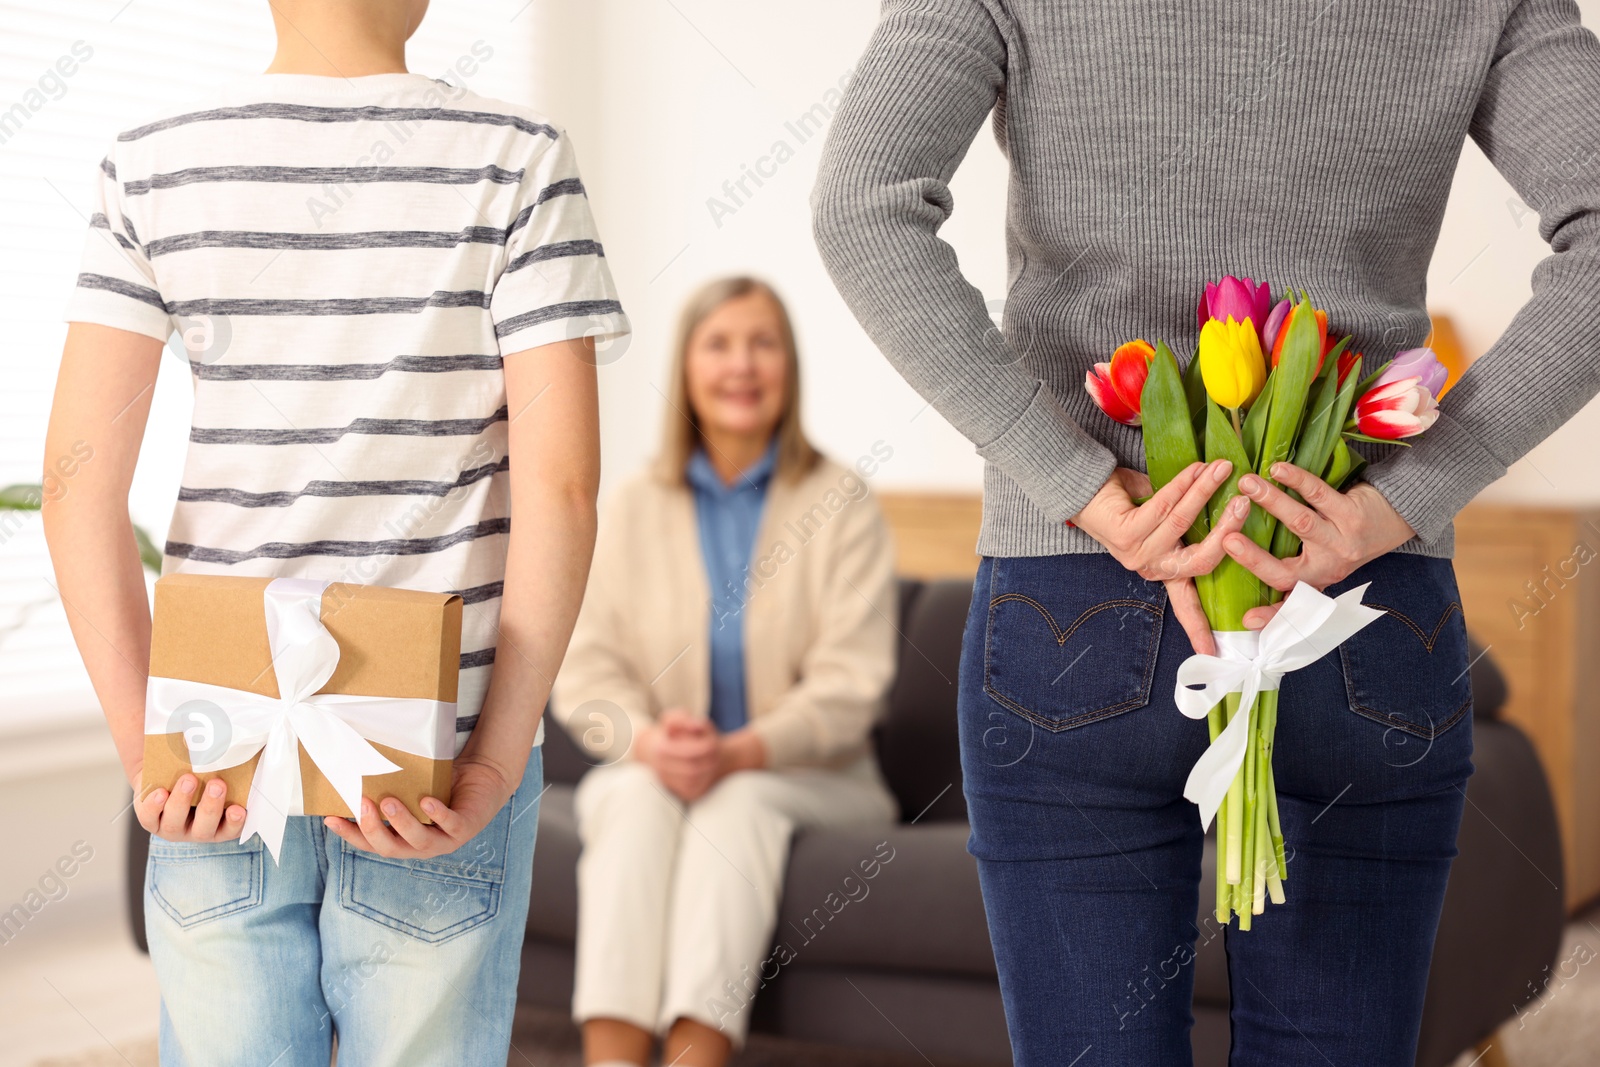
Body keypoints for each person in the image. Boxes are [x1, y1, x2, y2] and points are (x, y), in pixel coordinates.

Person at [812, 1, 1600, 1064]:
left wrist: (1081, 486)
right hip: (1357, 605)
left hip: (1079, 604)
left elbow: (861, 205)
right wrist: (1409, 493)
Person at [42, 1, 626, 1063]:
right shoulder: (517, 157)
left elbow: (75, 485)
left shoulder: (152, 162)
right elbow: (565, 488)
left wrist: (147, 751)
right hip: (434, 747)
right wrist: (491, 764)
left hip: (216, 748)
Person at [550, 276, 899, 1067]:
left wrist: (738, 752)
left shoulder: (841, 502)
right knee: (632, 799)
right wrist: (647, 744)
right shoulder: (634, 504)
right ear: (686, 370)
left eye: (762, 342)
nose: (742, 364)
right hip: (658, 766)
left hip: (819, 774)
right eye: (719, 344)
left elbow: (853, 685)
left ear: (789, 366)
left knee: (733, 806)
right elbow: (584, 669)